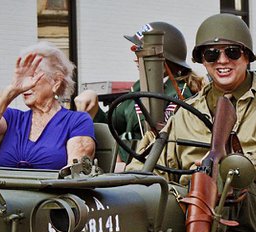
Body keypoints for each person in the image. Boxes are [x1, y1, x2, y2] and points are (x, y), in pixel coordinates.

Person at [128, 13, 256, 232]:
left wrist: (233, 165)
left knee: (228, 186)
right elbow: (146, 165)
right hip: (192, 207)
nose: (222, 61)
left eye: (232, 52)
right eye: (212, 54)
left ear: (246, 56)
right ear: (203, 61)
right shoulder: (187, 113)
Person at [75, 21, 202, 166]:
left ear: (163, 59)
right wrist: (94, 110)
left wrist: (121, 155)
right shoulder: (138, 87)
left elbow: (158, 140)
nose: (135, 58)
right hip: (132, 167)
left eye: (139, 51)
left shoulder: (179, 94)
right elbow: (113, 125)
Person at [0, 41, 95, 171]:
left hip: (55, 191)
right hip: (2, 191)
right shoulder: (11, 118)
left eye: (32, 76)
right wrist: (11, 91)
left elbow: (77, 171)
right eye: (22, 77)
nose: (25, 84)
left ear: (56, 81)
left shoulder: (77, 121)